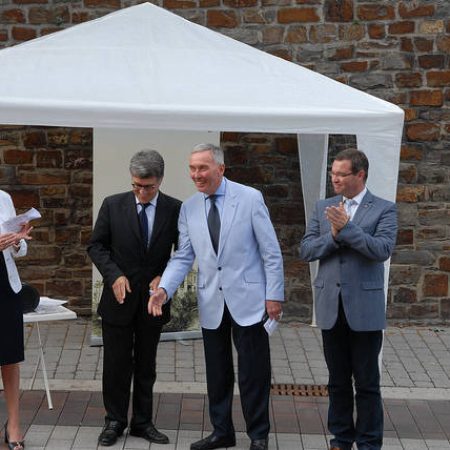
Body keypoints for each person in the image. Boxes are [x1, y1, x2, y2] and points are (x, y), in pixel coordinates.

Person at [149, 143, 284, 450]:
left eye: (203, 168)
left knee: (253, 373)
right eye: (192, 168)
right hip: (212, 301)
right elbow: (184, 256)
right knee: (217, 373)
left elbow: (271, 251)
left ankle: (258, 435)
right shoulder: (189, 208)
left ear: (220, 169)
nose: (196, 174)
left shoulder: (249, 198)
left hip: (250, 300)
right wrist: (164, 289)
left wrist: (274, 295)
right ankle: (222, 431)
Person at [299, 148, 397, 450]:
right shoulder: (323, 206)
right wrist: (332, 236)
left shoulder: (384, 209)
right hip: (331, 306)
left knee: (367, 384)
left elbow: (381, 250)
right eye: (333, 174)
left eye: (341, 174)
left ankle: (369, 443)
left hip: (364, 310)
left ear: (360, 175)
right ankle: (340, 439)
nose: (335, 179)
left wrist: (347, 229)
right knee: (337, 381)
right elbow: (306, 250)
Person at [88, 150, 181, 447]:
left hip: (153, 302)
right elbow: (96, 246)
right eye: (136, 186)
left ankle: (143, 422)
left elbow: (183, 252)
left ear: (160, 180)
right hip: (118, 300)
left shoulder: (175, 209)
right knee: (115, 365)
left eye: (148, 187)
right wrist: (114, 275)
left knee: (146, 365)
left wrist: (164, 278)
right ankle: (114, 421)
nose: (141, 192)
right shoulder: (112, 205)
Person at [0, 190, 33, 450]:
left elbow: (19, 252)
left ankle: (13, 426)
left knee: (10, 357)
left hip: (5, 285)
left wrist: (18, 241)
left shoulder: (3, 198)